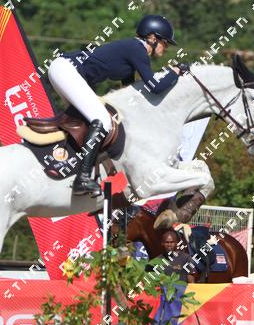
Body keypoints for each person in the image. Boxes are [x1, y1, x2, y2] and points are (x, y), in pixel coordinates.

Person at [48, 15, 184, 196]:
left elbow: (129, 90)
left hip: (65, 70)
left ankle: (64, 163)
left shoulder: (133, 51)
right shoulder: (137, 49)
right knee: (102, 120)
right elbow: (155, 86)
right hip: (67, 70)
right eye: (165, 43)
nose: (165, 48)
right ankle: (82, 179)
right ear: (152, 38)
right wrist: (175, 72)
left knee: (85, 122)